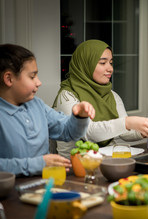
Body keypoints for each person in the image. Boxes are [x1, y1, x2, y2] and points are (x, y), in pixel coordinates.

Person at [53, 40, 148, 158]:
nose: (110, 68)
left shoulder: (112, 95)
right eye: (102, 63)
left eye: (111, 63)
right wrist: (127, 122)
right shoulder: (67, 96)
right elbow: (88, 132)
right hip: (74, 167)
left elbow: (125, 132)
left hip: (108, 162)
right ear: (85, 64)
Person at [0, 44, 95, 176]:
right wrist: (39, 164)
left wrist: (79, 116)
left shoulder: (37, 105)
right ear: (9, 79)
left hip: (46, 185)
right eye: (32, 77)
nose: (39, 82)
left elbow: (69, 132)